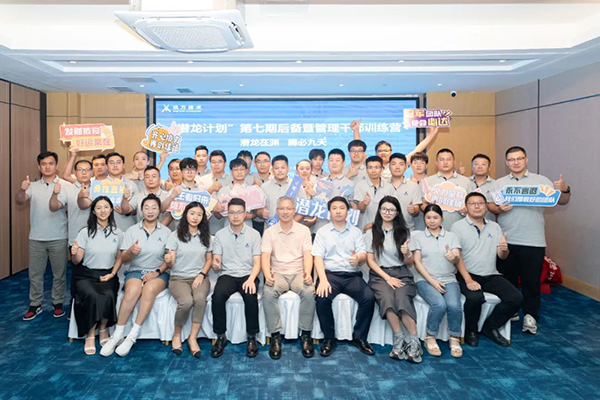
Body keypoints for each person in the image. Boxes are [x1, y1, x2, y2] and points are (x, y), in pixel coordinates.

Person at [487, 146, 571, 335]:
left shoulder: (541, 181)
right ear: (506, 162)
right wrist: (499, 209)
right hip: (506, 240)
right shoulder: (500, 183)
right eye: (511, 159)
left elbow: (562, 201)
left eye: (519, 158)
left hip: (533, 241)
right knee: (507, 280)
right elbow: (490, 204)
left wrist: (565, 189)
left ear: (526, 160)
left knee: (531, 282)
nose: (515, 162)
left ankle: (530, 316)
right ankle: (511, 311)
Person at [100, 194, 171, 357]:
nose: (150, 211)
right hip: (136, 270)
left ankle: (132, 335)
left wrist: (156, 273)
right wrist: (131, 251)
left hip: (159, 272)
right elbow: (124, 259)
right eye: (147, 208)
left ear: (159, 211)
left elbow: (168, 261)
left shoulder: (167, 232)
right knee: (132, 291)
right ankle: (118, 334)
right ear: (141, 210)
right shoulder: (132, 231)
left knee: (149, 289)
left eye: (154, 208)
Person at [451, 192, 523, 347]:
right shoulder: (457, 227)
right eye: (472, 203)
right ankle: (471, 330)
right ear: (466, 207)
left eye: (481, 203)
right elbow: (457, 257)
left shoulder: (494, 227)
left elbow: (502, 256)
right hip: (467, 273)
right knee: (474, 298)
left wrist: (504, 249)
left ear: (486, 207)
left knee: (516, 297)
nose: (477, 206)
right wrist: (468, 280)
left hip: (491, 274)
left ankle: (490, 327)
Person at [313, 196, 375, 357]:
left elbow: (363, 254)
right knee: (322, 297)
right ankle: (329, 338)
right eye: (334, 208)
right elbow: (317, 258)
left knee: (368, 297)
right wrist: (322, 280)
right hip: (330, 275)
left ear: (348, 211)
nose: (338, 211)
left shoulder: (355, 232)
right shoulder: (322, 232)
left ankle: (360, 338)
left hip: (351, 275)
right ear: (329, 211)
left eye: (342, 208)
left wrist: (358, 259)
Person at [365, 196, 421, 363]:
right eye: (384, 209)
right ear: (379, 211)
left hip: (401, 272)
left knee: (402, 298)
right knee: (386, 298)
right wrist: (387, 278)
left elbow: (410, 263)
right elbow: (370, 261)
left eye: (391, 210)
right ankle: (399, 339)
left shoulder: (405, 233)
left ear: (397, 213)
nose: (387, 213)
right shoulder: (371, 232)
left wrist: (407, 253)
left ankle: (414, 341)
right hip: (380, 275)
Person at [16, 151, 69, 321]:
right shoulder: (32, 185)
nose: (47, 167)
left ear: (57, 165)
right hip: (36, 238)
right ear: (39, 166)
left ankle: (58, 303)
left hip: (58, 237)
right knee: (35, 275)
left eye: (51, 163)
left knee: (59, 274)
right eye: (44, 164)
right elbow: (20, 200)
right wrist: (22, 189)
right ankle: (35, 304)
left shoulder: (64, 185)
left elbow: (57, 206)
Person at [261, 196, 315, 359]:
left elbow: (308, 254)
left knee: (309, 291)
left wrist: (308, 273)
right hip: (278, 272)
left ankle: (306, 334)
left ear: (294, 210)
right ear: (277, 211)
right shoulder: (269, 232)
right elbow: (265, 256)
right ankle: (275, 336)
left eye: (289, 208)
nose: (285, 212)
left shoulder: (304, 230)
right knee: (268, 293)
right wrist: (267, 274)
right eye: (282, 208)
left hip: (298, 272)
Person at [409, 204, 464, 358]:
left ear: (441, 218)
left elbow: (457, 258)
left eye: (435, 217)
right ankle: (430, 337)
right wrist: (432, 281)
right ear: (424, 219)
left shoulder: (451, 236)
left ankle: (454, 338)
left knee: (454, 305)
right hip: (425, 280)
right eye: (428, 217)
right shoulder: (418, 237)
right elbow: (417, 262)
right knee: (439, 304)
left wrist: (453, 257)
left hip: (449, 279)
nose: (432, 221)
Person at [70, 196, 123, 355]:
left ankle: (103, 328)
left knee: (109, 294)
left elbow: (119, 257)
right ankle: (90, 334)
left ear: (111, 210)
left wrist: (112, 274)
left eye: (106, 207)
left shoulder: (118, 233)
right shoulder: (85, 232)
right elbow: (77, 261)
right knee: (92, 295)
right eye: (98, 208)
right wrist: (74, 253)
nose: (102, 211)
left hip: (108, 274)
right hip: (86, 275)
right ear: (93, 211)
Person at [210, 198, 262, 358]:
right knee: (217, 296)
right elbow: (216, 261)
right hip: (228, 274)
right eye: (232, 212)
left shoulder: (254, 234)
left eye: (239, 212)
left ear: (245, 214)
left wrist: (251, 279)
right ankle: (221, 336)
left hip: (248, 274)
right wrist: (216, 265)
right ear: (228, 214)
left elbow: (257, 263)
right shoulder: (220, 235)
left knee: (250, 296)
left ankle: (251, 337)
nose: (235, 216)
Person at [165, 202, 213, 358]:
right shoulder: (174, 235)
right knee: (186, 302)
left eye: (199, 214)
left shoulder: (206, 236)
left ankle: (193, 338)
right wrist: (168, 260)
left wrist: (201, 275)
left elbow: (209, 260)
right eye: (192, 213)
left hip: (199, 277)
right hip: (178, 278)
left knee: (200, 300)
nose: (195, 217)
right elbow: (170, 262)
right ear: (186, 214)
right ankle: (177, 335)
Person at [78, 152, 139, 231]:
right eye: (111, 163)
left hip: (126, 228)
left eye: (118, 162)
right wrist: (80, 197)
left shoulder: (131, 185)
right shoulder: (98, 185)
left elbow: (138, 209)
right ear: (106, 166)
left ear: (123, 165)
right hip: (103, 230)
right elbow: (83, 205)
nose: (115, 165)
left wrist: (128, 211)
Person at [421, 148, 474, 230]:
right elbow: (422, 204)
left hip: (460, 228)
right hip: (434, 229)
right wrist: (431, 210)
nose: (445, 162)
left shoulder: (466, 182)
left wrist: (467, 209)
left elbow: (473, 203)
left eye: (448, 159)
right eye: (442, 159)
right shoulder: (427, 182)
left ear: (454, 162)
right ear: (436, 162)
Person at [50, 159, 92, 249]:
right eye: (80, 170)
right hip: (76, 238)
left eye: (87, 170)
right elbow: (54, 207)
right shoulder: (68, 188)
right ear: (75, 172)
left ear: (92, 172)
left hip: (97, 238)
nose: (84, 172)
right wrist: (54, 194)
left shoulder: (99, 188)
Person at [312, 149, 355, 233]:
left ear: (343, 163)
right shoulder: (320, 182)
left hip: (341, 231)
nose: (334, 163)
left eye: (337, 160)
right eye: (331, 160)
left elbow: (353, 208)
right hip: (320, 228)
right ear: (327, 163)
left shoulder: (350, 184)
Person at [256, 155, 304, 230]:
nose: (280, 171)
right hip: (270, 230)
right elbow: (258, 210)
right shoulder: (264, 187)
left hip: (292, 231)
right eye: (277, 168)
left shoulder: (297, 186)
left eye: (283, 168)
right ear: (272, 170)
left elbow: (302, 211)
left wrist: (289, 225)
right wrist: (261, 213)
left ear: (288, 169)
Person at [213, 158, 259, 231]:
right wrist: (215, 210)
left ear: (246, 171)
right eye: (236, 170)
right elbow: (218, 216)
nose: (239, 172)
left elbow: (257, 212)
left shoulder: (251, 190)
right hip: (228, 229)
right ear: (231, 171)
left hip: (247, 229)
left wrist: (250, 216)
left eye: (242, 169)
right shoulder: (224, 190)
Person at [353, 155, 393, 231]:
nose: (373, 171)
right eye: (370, 167)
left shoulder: (389, 187)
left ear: (382, 169)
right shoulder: (360, 185)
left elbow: (393, 209)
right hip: (364, 227)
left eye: (376, 167)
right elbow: (360, 209)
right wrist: (364, 203)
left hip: (383, 228)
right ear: (366, 169)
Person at [388, 153, 422, 231]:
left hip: (407, 230)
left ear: (406, 167)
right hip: (386, 230)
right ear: (389, 166)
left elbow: (417, 210)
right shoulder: (382, 185)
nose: (397, 167)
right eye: (394, 164)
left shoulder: (413, 186)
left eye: (401, 164)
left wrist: (413, 210)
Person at [469, 153, 496, 221]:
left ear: (489, 168)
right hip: (466, 223)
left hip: (489, 222)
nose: (480, 167)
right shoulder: (465, 182)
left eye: (483, 164)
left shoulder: (496, 184)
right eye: (476, 164)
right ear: (472, 168)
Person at [409, 152, 429, 231]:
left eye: (422, 163)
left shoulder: (432, 183)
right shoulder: (406, 183)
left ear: (426, 165)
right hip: (410, 225)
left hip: (428, 225)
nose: (418, 165)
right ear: (411, 165)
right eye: (415, 163)